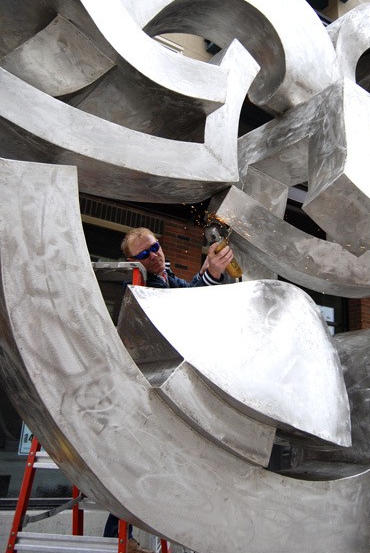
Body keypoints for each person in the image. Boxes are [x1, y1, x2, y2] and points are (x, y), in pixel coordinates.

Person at [103, 227, 234, 551]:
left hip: (165, 390)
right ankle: (119, 538)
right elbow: (172, 309)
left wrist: (212, 273)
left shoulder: (166, 280)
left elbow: (189, 300)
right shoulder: (137, 286)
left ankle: (128, 535)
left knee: (152, 466)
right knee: (135, 466)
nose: (155, 254)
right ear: (132, 261)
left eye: (156, 247)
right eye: (145, 253)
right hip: (138, 392)